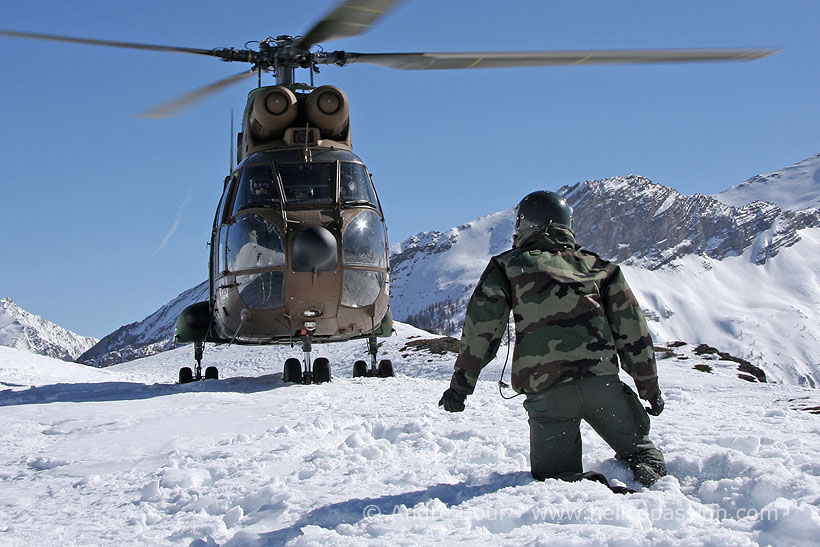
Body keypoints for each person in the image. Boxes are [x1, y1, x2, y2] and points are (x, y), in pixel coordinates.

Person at [439, 190, 666, 491]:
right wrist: (649, 388)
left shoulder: (507, 266)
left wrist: (460, 388)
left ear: (523, 226)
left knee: (555, 478)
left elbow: (482, 331)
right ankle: (649, 483)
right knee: (643, 454)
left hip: (549, 395)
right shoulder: (601, 268)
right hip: (604, 389)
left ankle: (591, 490)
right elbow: (633, 333)